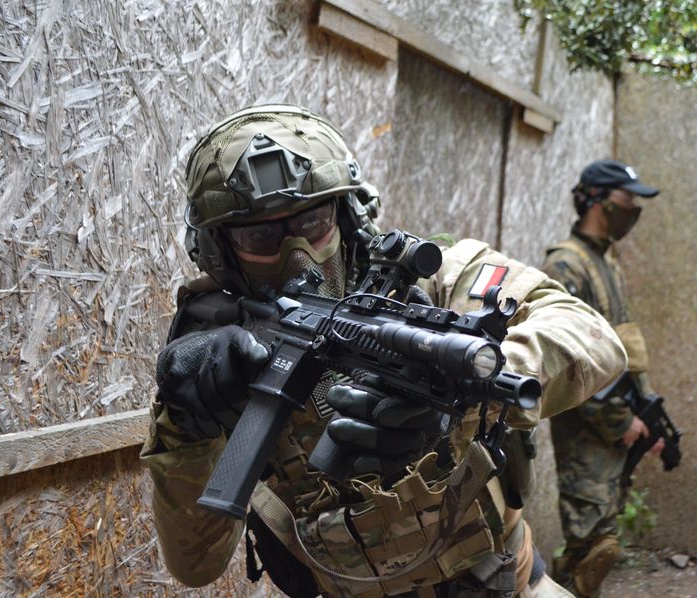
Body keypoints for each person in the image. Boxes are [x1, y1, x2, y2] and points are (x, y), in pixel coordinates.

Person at [141, 104, 628, 598]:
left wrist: (466, 392)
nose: (299, 256)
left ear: (348, 214)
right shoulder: (226, 357)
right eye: (260, 236)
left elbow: (592, 335)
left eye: (314, 221)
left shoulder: (436, 283)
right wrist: (186, 429)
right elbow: (195, 565)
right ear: (220, 249)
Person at [541, 159, 666, 597]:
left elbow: (622, 348)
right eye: (626, 200)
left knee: (600, 540)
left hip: (614, 420)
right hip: (586, 424)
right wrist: (619, 419)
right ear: (596, 201)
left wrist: (646, 412)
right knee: (591, 547)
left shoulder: (605, 259)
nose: (634, 209)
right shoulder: (565, 265)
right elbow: (572, 360)